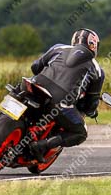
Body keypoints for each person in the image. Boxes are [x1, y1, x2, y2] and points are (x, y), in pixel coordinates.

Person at [28, 28, 105, 161]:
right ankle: (42, 146)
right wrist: (91, 112)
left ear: (74, 40)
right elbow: (91, 101)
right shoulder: (97, 69)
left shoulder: (58, 48)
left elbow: (35, 67)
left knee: (16, 94)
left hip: (34, 86)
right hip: (60, 101)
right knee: (81, 133)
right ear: (94, 45)